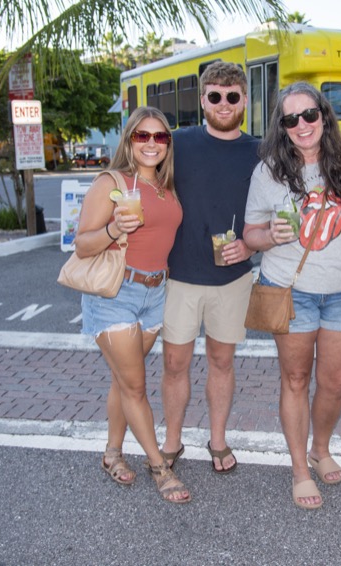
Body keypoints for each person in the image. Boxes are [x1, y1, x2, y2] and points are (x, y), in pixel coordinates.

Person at [243, 82, 341, 510]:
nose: (301, 125)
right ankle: (300, 468)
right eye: (290, 119)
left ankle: (321, 448)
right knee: (296, 380)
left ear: (324, 115)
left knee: (334, 382)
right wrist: (269, 235)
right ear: (281, 126)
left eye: (309, 115)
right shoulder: (269, 171)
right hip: (291, 290)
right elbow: (250, 234)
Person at [75, 106, 189, 503]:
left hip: (155, 294)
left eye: (160, 136)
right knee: (135, 386)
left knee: (124, 381)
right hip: (116, 294)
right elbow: (82, 244)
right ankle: (159, 468)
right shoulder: (111, 182)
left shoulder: (165, 186)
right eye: (143, 136)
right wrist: (112, 228)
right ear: (129, 141)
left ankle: (112, 453)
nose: (152, 143)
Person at [160, 61, 260, 474]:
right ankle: (172, 440)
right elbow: (145, 185)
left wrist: (249, 245)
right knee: (174, 364)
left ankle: (218, 440)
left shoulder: (260, 152)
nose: (223, 103)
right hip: (179, 275)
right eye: (215, 95)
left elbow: (276, 211)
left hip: (232, 277)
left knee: (222, 361)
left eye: (232, 96)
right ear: (202, 100)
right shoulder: (177, 143)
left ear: (244, 101)